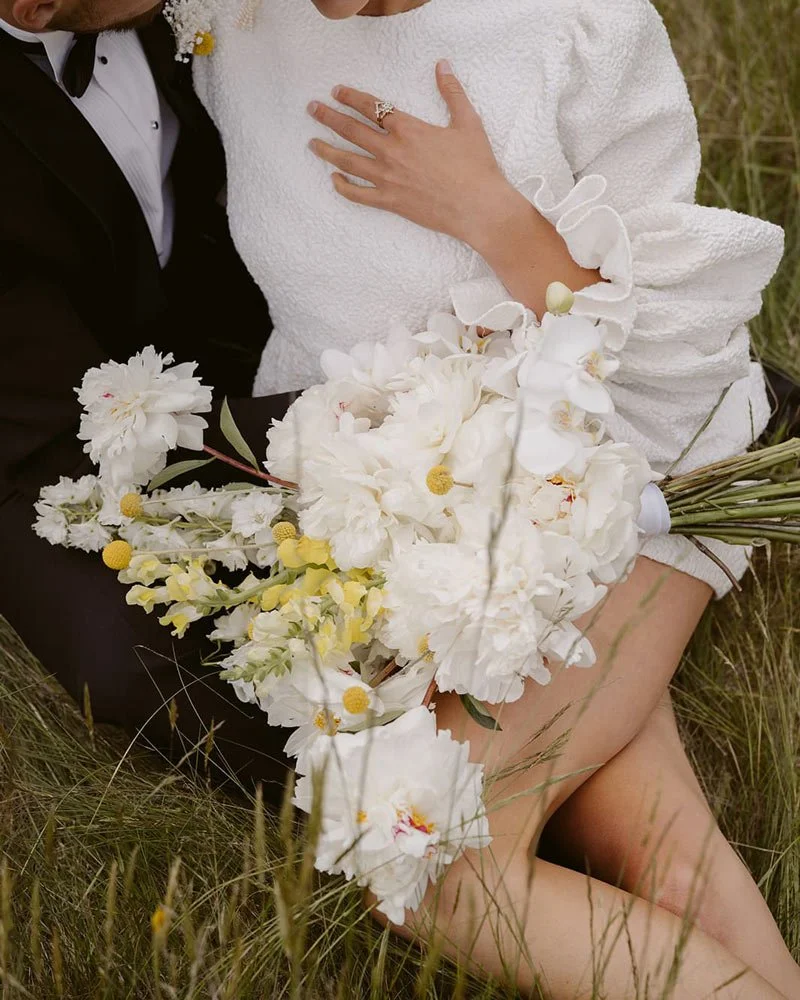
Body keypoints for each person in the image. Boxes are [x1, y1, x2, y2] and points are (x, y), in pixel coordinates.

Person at [195, 0, 800, 996]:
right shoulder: (228, 17)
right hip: (413, 506)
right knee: (654, 845)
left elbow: (671, 351)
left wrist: (488, 212)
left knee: (428, 864)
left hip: (621, 471)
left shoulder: (578, 30)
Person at [0, 0, 295, 797]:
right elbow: (70, 410)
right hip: (41, 412)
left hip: (208, 301)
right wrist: (330, 436)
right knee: (130, 661)